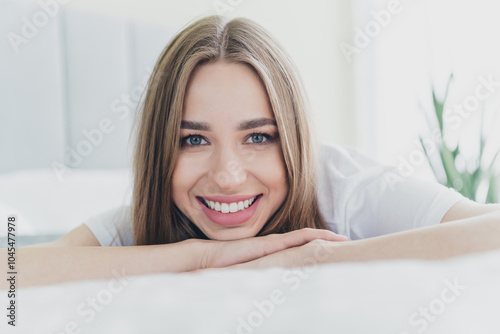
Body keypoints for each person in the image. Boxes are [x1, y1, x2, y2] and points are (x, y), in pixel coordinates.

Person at [3, 15, 500, 289]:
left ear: (293, 139)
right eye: (193, 140)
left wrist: (315, 260)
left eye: (258, 136)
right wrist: (199, 258)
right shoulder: (150, 215)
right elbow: (10, 273)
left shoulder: (344, 186)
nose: (227, 176)